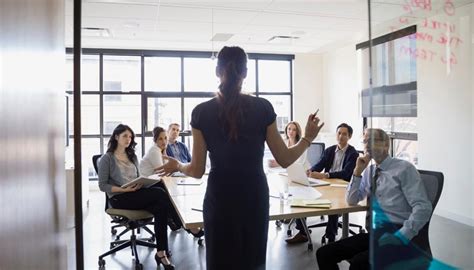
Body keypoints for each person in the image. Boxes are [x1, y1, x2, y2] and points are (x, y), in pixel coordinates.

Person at [157, 46, 324, 270]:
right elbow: (284, 158)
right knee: (253, 263)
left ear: (218, 71)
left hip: (220, 198)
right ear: (245, 73)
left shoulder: (201, 112)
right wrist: (308, 138)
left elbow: (196, 170)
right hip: (254, 196)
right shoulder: (263, 108)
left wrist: (177, 164)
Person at [316, 128, 432, 270]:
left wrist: (402, 236)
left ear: (385, 145)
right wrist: (357, 171)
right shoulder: (369, 171)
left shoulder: (404, 169)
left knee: (359, 263)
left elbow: (423, 207)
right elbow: (352, 200)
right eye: (365, 141)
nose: (367, 145)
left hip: (398, 231)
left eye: (372, 141)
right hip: (375, 233)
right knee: (324, 253)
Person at [98, 124, 175, 270]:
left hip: (136, 193)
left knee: (160, 204)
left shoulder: (132, 156)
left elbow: (139, 176)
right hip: (119, 198)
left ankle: (161, 252)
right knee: (160, 193)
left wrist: (142, 183)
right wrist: (123, 189)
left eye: (130, 136)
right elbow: (103, 185)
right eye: (125, 136)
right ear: (116, 137)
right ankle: (177, 222)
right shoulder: (106, 158)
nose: (128, 139)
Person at [286, 123, 359, 244]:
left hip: (343, 187)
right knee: (303, 196)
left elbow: (346, 173)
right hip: (328, 185)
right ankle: (302, 232)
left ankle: (331, 238)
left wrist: (325, 175)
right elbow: (320, 165)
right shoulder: (329, 150)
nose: (341, 136)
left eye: (344, 134)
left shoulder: (353, 154)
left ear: (349, 136)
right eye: (339, 133)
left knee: (334, 204)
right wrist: (311, 171)